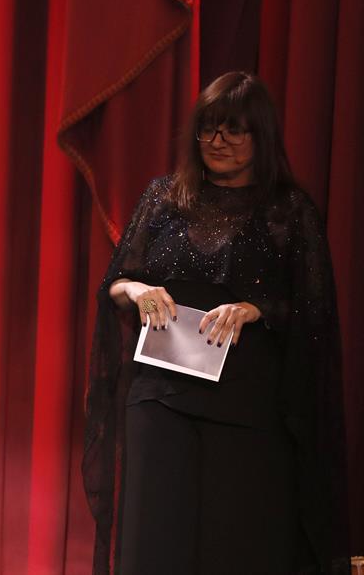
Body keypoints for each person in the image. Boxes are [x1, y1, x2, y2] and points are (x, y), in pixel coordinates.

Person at [83, 72, 348, 574]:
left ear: (261, 136)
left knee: (235, 541)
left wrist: (256, 308)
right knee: (155, 536)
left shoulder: (289, 210)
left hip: (246, 402)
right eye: (208, 128)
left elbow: (315, 311)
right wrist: (136, 290)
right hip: (160, 393)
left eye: (233, 130)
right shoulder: (164, 197)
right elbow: (115, 283)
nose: (218, 141)